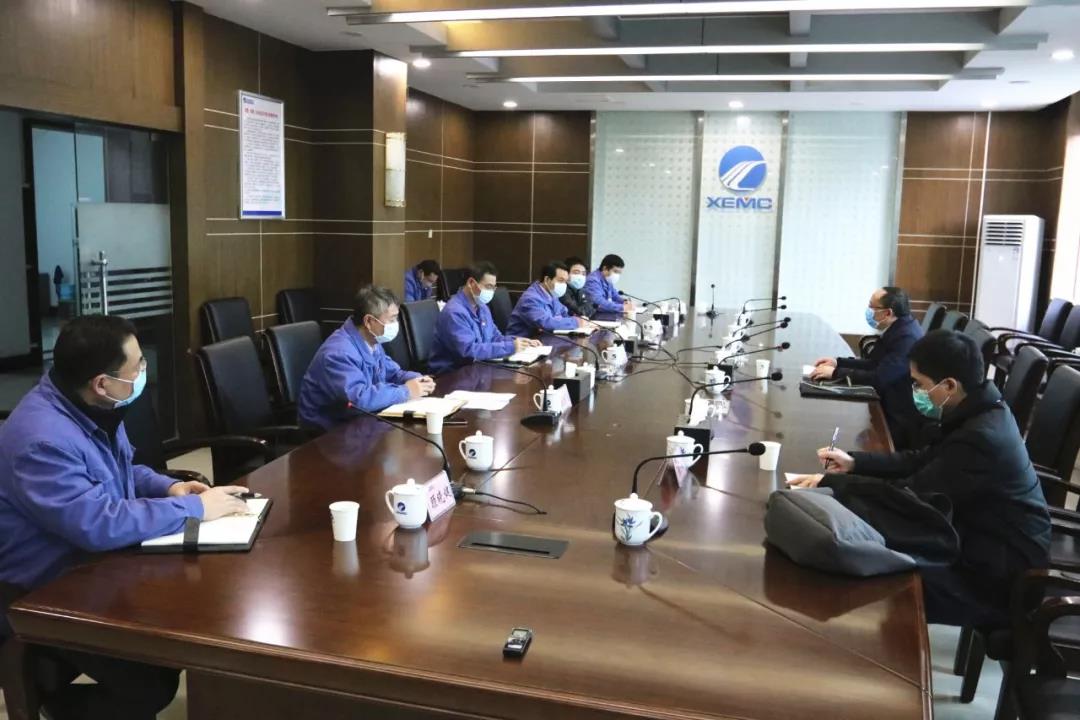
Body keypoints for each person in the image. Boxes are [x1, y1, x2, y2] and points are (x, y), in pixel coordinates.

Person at [0, 314, 250, 719]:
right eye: (137, 366)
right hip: (48, 585)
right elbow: (99, 524)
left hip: (98, 564)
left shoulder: (87, 404)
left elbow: (120, 469)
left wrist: (167, 487)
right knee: (150, 683)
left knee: (194, 614)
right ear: (102, 383)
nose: (143, 372)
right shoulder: (41, 440)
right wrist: (196, 509)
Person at [790, 330, 1051, 627]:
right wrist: (855, 463)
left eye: (919, 384)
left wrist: (831, 485)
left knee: (881, 578)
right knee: (873, 548)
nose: (915, 391)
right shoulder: (979, 409)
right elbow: (922, 459)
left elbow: (909, 494)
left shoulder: (980, 438)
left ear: (949, 385)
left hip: (999, 579)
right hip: (977, 543)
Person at [299, 285, 435, 430]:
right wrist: (406, 391)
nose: (396, 325)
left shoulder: (371, 340)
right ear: (369, 321)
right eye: (392, 319)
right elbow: (358, 399)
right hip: (329, 432)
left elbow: (393, 373)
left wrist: (417, 380)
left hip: (360, 422)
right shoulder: (338, 353)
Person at [811, 287, 925, 449]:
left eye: (872, 307)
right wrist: (838, 363)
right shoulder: (899, 328)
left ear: (888, 313)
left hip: (897, 415)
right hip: (887, 401)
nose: (868, 311)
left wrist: (836, 373)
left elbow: (879, 378)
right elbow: (874, 363)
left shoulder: (907, 337)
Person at [428, 261, 539, 375]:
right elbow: (468, 351)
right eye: (488, 287)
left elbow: (495, 337)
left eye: (493, 288)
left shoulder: (482, 307)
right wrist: (510, 347)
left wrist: (519, 342)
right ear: (471, 283)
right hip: (452, 375)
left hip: (477, 368)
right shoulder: (454, 312)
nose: (491, 292)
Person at [507, 260, 589, 336]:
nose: (564, 285)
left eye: (565, 281)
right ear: (547, 279)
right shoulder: (530, 299)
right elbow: (545, 323)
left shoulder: (551, 294)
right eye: (561, 280)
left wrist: (580, 320)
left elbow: (563, 313)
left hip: (541, 339)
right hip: (522, 341)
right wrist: (576, 322)